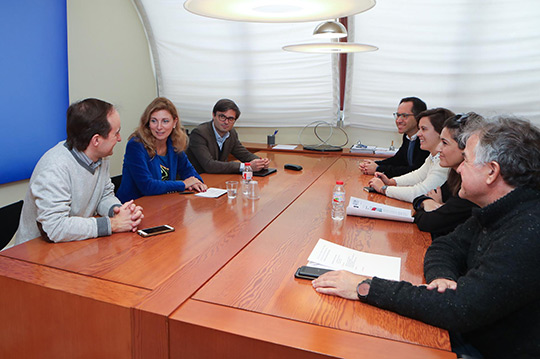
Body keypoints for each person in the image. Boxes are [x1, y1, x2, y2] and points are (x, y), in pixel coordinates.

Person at [313, 117, 540, 358]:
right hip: (469, 333)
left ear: (492, 172)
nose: (459, 168)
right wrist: (442, 277)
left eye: (466, 160)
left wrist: (364, 287)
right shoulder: (498, 208)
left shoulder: (528, 230)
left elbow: (460, 309)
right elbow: (445, 246)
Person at [16, 98, 144, 245]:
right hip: (34, 254)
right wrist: (113, 224)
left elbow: (103, 195)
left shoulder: (101, 157)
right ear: (96, 140)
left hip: (76, 243)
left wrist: (118, 211)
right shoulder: (54, 167)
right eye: (116, 133)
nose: (120, 138)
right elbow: (55, 227)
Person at [116, 97, 207, 202]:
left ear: (174, 122)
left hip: (162, 203)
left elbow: (188, 171)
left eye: (165, 121)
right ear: (148, 123)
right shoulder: (136, 145)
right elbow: (147, 186)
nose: (159, 127)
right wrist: (184, 184)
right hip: (134, 206)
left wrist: (197, 183)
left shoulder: (173, 143)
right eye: (154, 121)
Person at [412, 113, 481, 238]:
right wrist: (428, 203)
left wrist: (436, 209)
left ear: (466, 148)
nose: (438, 149)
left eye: (444, 143)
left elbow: (428, 222)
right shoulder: (454, 176)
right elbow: (419, 198)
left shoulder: (472, 189)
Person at [369, 108, 453, 203]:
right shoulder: (434, 156)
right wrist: (392, 182)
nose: (418, 134)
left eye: (423, 129)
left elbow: (420, 193)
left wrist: (384, 189)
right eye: (419, 129)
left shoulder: (445, 161)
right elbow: (417, 176)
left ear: (441, 132)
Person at [186, 98, 270, 174]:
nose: (226, 122)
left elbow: (244, 154)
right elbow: (209, 165)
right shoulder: (199, 133)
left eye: (230, 119)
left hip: (218, 178)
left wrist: (260, 162)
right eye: (222, 117)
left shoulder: (231, 133)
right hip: (198, 179)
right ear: (213, 115)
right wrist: (246, 166)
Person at [359, 97, 429, 177]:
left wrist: (378, 168)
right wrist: (372, 164)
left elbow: (414, 171)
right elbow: (398, 160)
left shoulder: (425, 140)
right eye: (398, 115)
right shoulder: (407, 136)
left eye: (404, 116)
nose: (398, 120)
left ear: (418, 117)